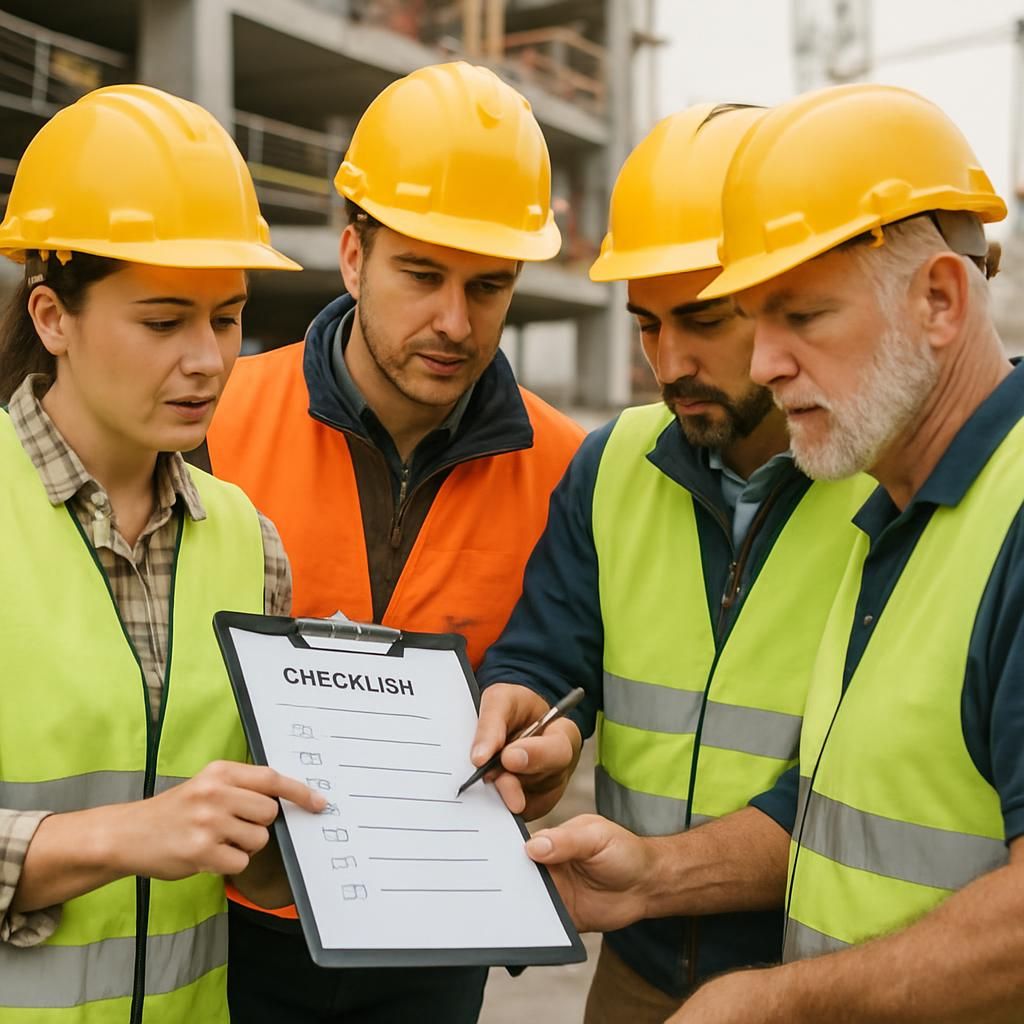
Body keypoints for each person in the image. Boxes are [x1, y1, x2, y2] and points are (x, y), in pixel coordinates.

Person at [524, 83, 1024, 1023]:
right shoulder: (897, 510)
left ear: (940, 299)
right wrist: (652, 881)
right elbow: (843, 816)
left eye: (800, 316)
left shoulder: (1002, 514)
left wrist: (781, 1001)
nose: (762, 364)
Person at [198, 61, 584, 1024]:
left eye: (488, 287)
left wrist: (551, 750)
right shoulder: (216, 422)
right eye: (422, 275)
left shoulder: (566, 468)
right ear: (355, 256)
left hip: (434, 948)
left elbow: (569, 676)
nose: (454, 323)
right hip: (226, 926)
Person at [469, 103, 871, 1023]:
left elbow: (863, 789)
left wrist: (657, 877)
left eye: (703, 318)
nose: (670, 360)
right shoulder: (613, 464)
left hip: (811, 977)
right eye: (647, 324)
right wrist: (541, 722)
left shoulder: (875, 480)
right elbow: (549, 653)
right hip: (638, 971)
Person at [0, 84, 325, 1022]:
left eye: (226, 318)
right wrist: (117, 837)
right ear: (53, 317)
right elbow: (153, 829)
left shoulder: (247, 539)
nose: (209, 360)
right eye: (163, 320)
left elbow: (243, 847)